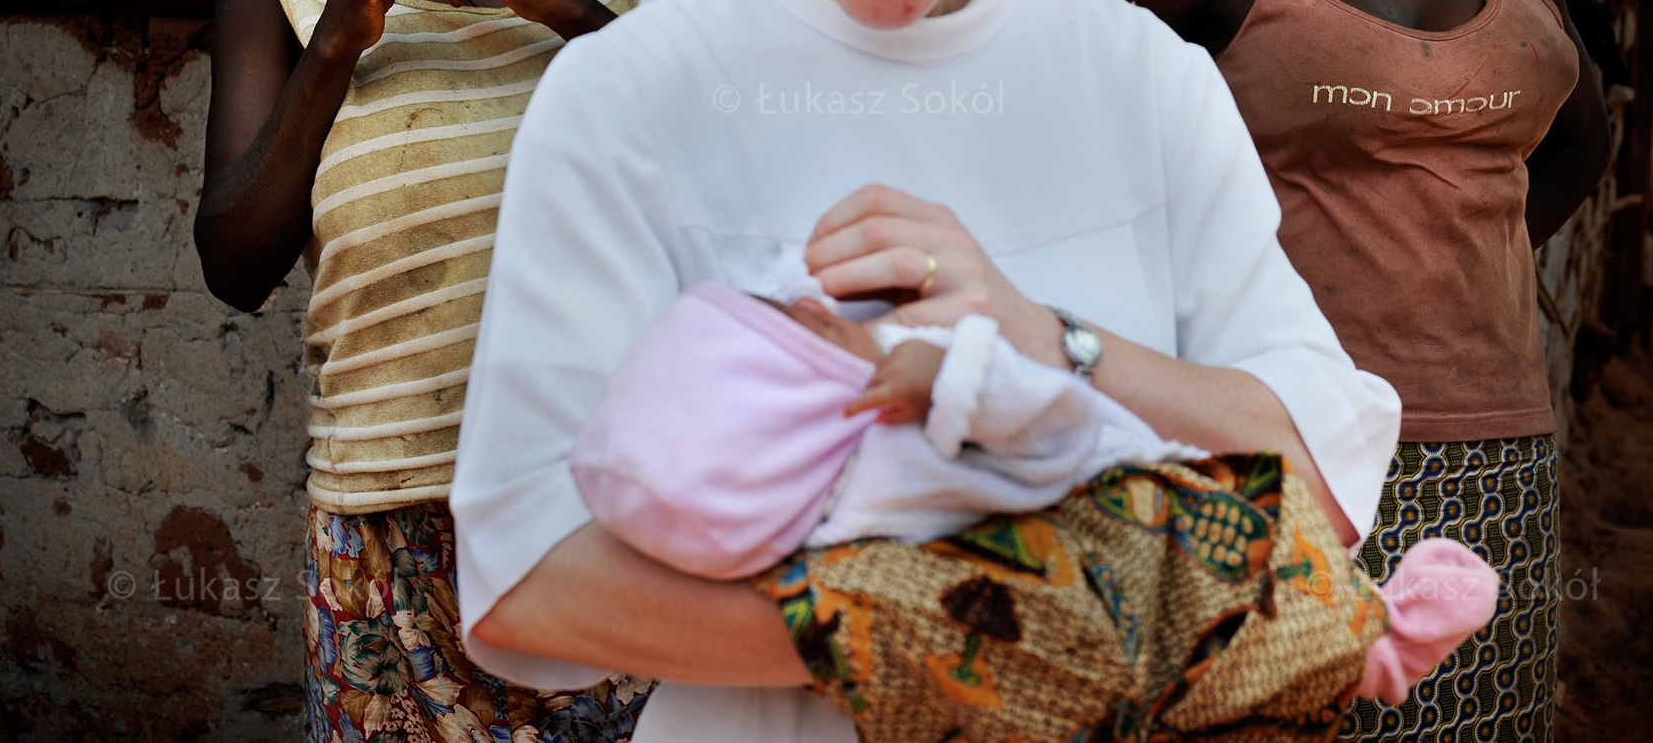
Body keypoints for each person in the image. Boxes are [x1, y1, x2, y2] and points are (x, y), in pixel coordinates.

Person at [450, 0, 1401, 743]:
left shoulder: (1146, 83)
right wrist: (1013, 636)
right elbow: (528, 570)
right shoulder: (625, 98)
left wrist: (1050, 338)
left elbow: (1315, 477)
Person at [1114, 0, 1612, 743]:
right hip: (1289, 450)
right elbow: (1075, 163)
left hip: (1496, 451)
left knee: (1477, 722)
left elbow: (1583, 133)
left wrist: (1455, 265)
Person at [194, 0, 660, 743]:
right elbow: (237, 262)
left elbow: (733, 174)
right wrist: (342, 35)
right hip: (393, 521)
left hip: (617, 505)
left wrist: (556, 0)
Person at [564, 270, 1499, 733]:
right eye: (799, 330)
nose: (816, 311)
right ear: (805, 393)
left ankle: (1368, 645)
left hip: (1097, 660)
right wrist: (957, 376)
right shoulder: (898, 443)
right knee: (1283, 591)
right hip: (1166, 525)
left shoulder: (820, 538)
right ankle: (1385, 635)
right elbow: (1055, 422)